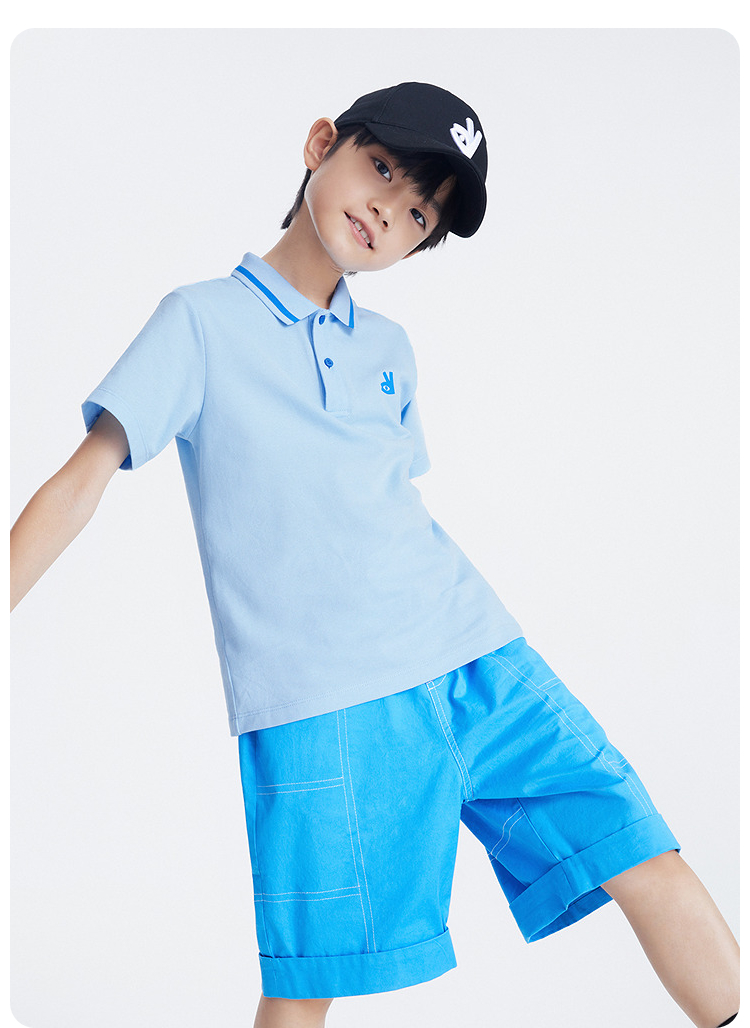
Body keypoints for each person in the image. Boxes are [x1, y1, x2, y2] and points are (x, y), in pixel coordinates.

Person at [10, 81, 739, 1028]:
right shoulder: (199, 322)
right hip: (323, 701)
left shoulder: (389, 348)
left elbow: (383, 507)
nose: (389, 209)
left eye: (419, 213)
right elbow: (82, 481)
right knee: (308, 979)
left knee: (640, 846)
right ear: (323, 143)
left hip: (476, 655)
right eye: (383, 167)